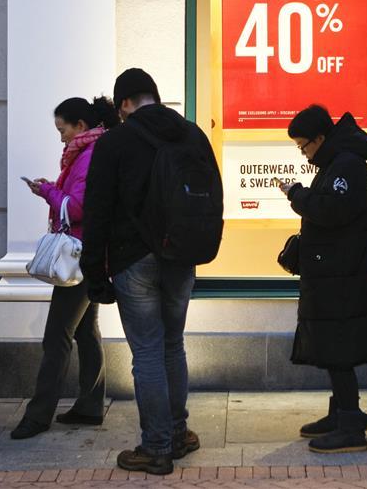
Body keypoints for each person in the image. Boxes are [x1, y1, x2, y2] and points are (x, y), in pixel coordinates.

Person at [81, 68, 218, 475]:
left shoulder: (116, 142)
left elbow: (97, 210)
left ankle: (156, 447)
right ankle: (178, 433)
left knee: (147, 354)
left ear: (124, 103)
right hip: (181, 255)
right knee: (172, 345)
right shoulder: (192, 134)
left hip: (133, 259)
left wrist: (94, 272)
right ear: (155, 96)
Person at [10, 96, 118, 439]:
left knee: (56, 336)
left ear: (80, 127)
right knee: (86, 332)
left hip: (80, 258)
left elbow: (78, 209)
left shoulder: (87, 156)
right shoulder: (92, 151)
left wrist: (47, 192)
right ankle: (89, 405)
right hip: (91, 255)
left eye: (63, 129)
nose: (60, 137)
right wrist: (53, 189)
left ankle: (38, 415)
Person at [279, 105, 367, 454]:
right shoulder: (337, 162)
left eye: (303, 145)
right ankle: (341, 412)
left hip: (344, 275)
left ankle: (350, 424)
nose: (303, 153)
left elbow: (329, 210)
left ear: (320, 138)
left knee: (338, 347)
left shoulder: (346, 165)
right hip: (337, 272)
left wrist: (296, 194)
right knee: (334, 345)